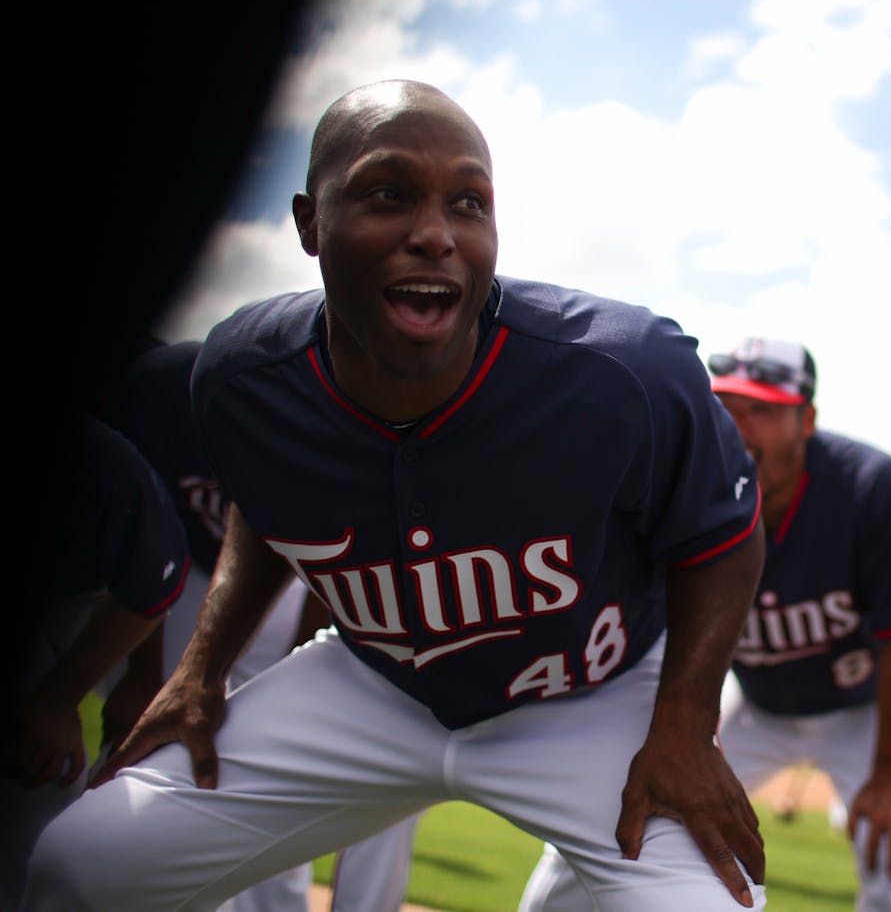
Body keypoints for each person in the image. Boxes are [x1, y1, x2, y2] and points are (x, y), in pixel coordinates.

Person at [22, 79, 767, 912]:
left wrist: (684, 723)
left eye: (469, 203)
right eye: (388, 194)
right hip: (376, 683)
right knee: (82, 860)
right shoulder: (243, 375)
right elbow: (269, 500)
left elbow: (725, 535)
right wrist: (202, 669)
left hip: (591, 695)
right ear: (310, 223)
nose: (434, 234)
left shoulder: (623, 369)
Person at [520, 336, 891, 911]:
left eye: (762, 411)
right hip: (757, 706)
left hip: (866, 710)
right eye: (726, 408)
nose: (740, 428)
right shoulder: (682, 483)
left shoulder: (871, 487)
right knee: (623, 804)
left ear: (807, 419)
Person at [108, 339, 418, 912]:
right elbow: (145, 553)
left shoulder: (340, 419)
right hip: (171, 577)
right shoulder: (165, 393)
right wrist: (145, 674)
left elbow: (334, 561)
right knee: (170, 743)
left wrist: (294, 684)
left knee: (313, 765)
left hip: (292, 581)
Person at [2, 418, 188, 904]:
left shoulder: (104, 466)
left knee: (40, 782)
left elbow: (154, 582)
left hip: (67, 605)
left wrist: (60, 698)